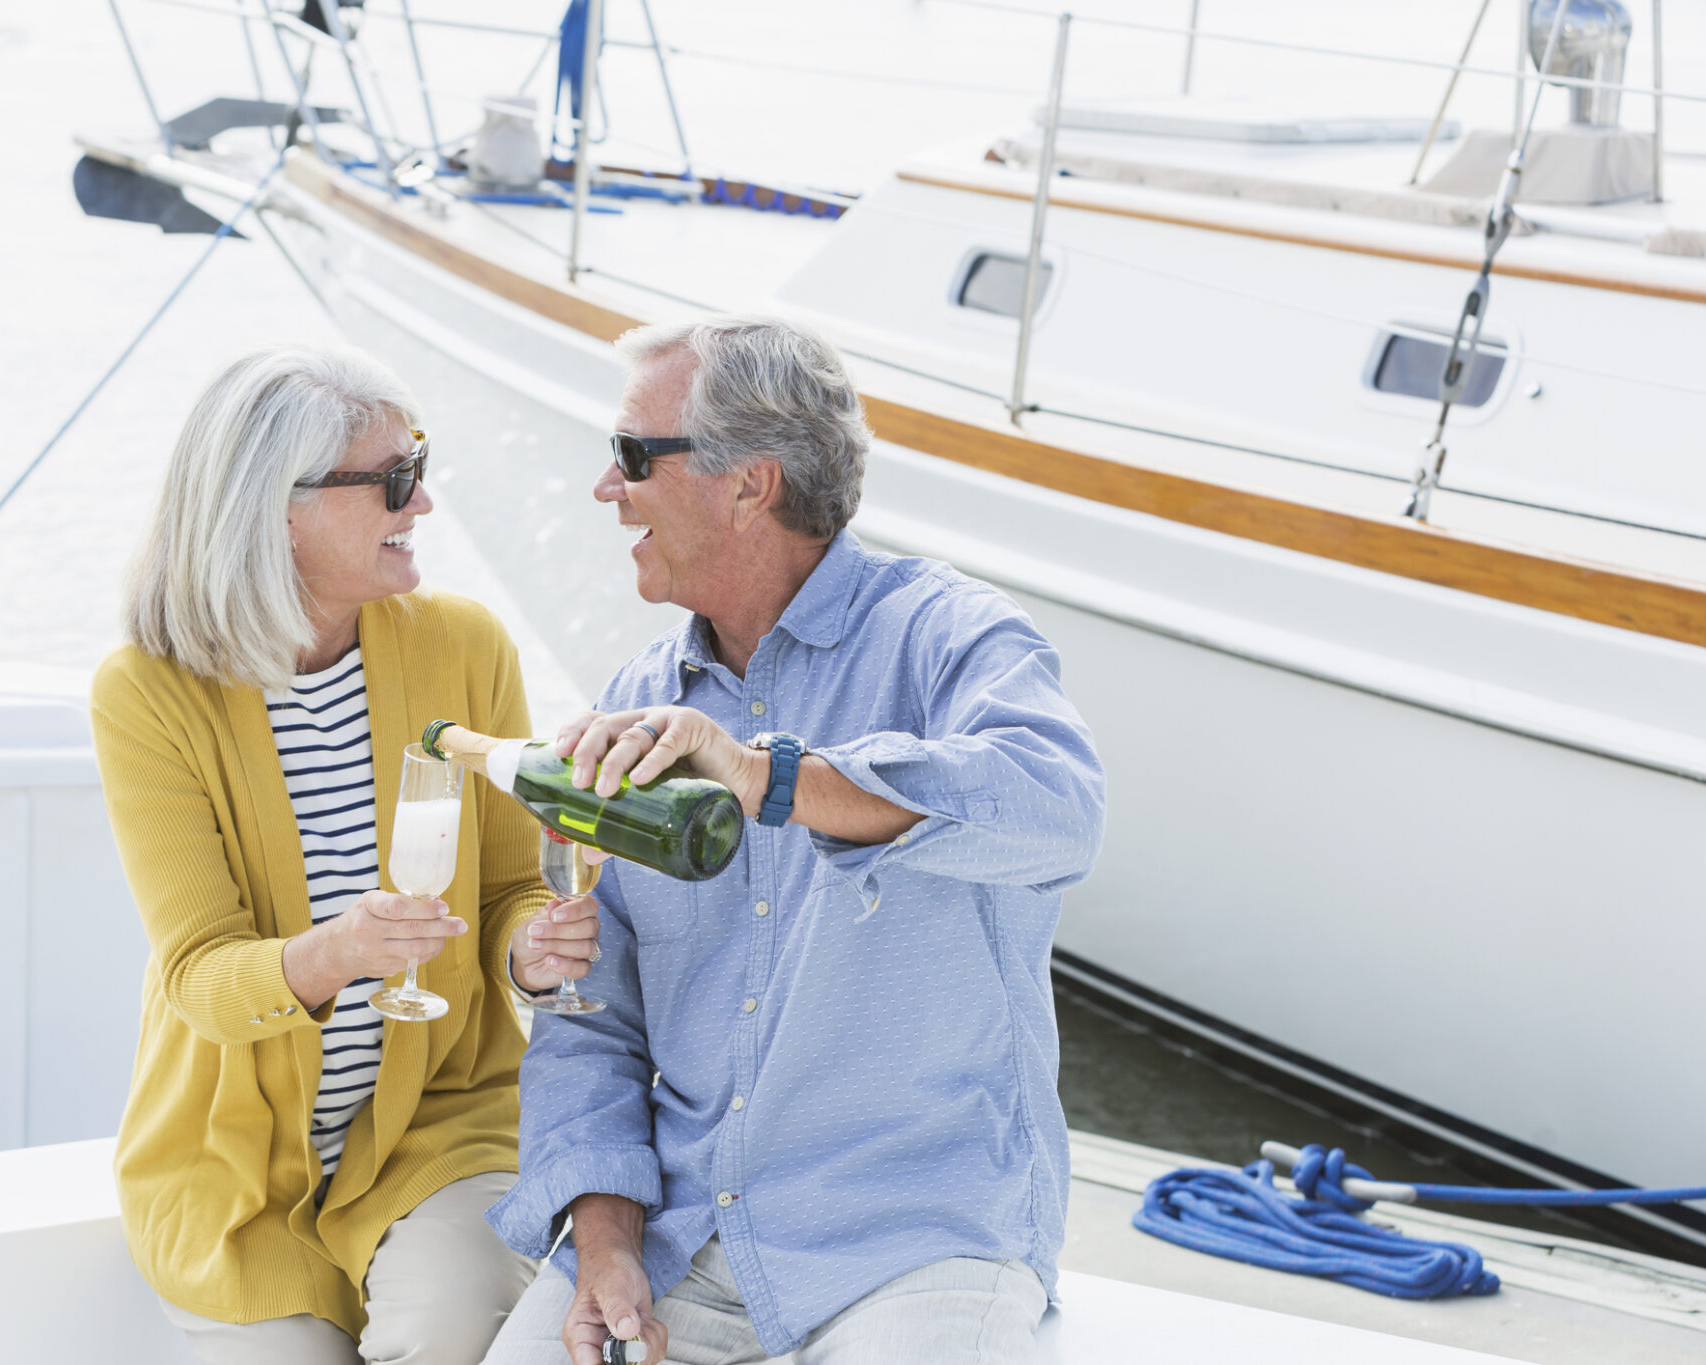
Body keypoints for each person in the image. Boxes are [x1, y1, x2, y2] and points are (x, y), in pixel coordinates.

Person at [481, 316, 1107, 1365]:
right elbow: (593, 1016)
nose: (606, 486)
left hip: (913, 1247)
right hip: (677, 1239)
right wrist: (602, 1242)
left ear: (747, 484)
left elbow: (1055, 809)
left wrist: (762, 774)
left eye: (633, 455)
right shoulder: (638, 702)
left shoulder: (949, 636)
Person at [90, 343, 600, 1365]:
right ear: (277, 507)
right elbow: (197, 978)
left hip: (435, 1128)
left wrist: (527, 950)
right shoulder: (146, 693)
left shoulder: (462, 645)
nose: (422, 507)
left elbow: (502, 889)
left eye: (422, 469)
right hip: (231, 1167)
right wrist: (337, 953)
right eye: (395, 481)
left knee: (452, 1326)